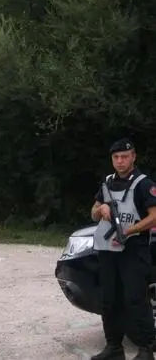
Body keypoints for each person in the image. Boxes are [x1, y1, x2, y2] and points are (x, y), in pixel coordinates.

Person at [90, 138, 156, 360]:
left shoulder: (144, 184)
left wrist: (129, 231)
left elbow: (154, 217)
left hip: (133, 249)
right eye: (116, 157)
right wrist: (102, 209)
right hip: (108, 250)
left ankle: (147, 349)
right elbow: (93, 211)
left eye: (124, 157)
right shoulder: (107, 182)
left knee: (136, 299)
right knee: (110, 300)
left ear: (133, 157)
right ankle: (113, 347)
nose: (120, 161)